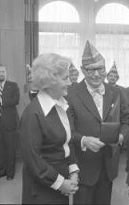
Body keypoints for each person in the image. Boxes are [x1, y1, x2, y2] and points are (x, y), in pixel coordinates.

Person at [67, 41, 129, 205]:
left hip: (108, 165)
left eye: (100, 69)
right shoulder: (71, 93)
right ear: (83, 70)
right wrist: (83, 140)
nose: (97, 74)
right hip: (83, 166)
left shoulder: (116, 92)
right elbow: (66, 130)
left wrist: (121, 137)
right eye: (91, 70)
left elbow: (127, 122)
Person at [19, 53, 79, 204]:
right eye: (65, 78)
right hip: (42, 189)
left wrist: (73, 170)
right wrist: (60, 183)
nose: (70, 82)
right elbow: (33, 159)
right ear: (49, 81)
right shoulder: (32, 114)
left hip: (60, 181)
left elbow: (67, 142)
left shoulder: (62, 106)